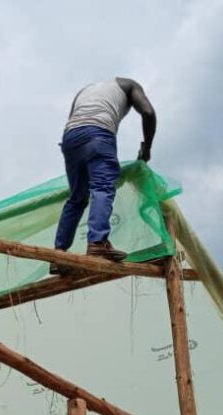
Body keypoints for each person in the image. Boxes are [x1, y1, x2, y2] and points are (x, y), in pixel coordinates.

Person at [51, 77, 157, 275]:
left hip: (70, 138)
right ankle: (98, 243)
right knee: (102, 187)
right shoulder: (130, 85)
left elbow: (73, 120)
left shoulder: (85, 90)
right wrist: (147, 148)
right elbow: (148, 112)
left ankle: (58, 255)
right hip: (98, 133)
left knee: (77, 198)